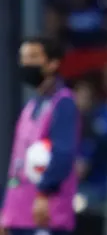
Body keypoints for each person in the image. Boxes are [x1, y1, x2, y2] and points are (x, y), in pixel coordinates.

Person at [1, 37, 80, 235]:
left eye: (33, 57)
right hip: (18, 214)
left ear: (52, 63)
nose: (26, 63)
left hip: (45, 215)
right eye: (23, 58)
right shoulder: (31, 105)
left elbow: (63, 153)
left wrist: (45, 193)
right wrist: (6, 211)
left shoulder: (63, 103)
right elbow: (17, 162)